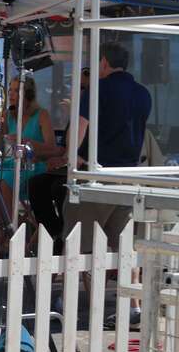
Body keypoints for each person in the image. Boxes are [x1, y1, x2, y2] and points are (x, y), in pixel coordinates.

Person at [61, 42, 151, 252]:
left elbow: (80, 127)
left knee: (78, 246)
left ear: (103, 62)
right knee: (123, 249)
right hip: (129, 178)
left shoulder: (96, 89)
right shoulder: (143, 93)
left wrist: (71, 156)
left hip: (96, 177)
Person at [0, 76, 56, 220]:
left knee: (6, 182)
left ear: (28, 94)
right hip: (11, 165)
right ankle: (3, 227)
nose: (11, 94)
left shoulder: (41, 115)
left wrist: (26, 142)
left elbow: (51, 148)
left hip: (33, 165)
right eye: (10, 90)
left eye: (16, 90)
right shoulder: (8, 115)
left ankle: (11, 227)